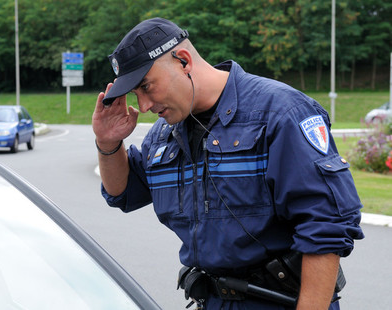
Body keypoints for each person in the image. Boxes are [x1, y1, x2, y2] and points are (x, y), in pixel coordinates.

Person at [92, 17, 364, 310]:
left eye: (147, 86)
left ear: (183, 61)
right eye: (136, 94)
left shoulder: (279, 112)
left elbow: (325, 224)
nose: (144, 105)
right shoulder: (163, 134)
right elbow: (124, 192)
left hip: (282, 301)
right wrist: (108, 143)